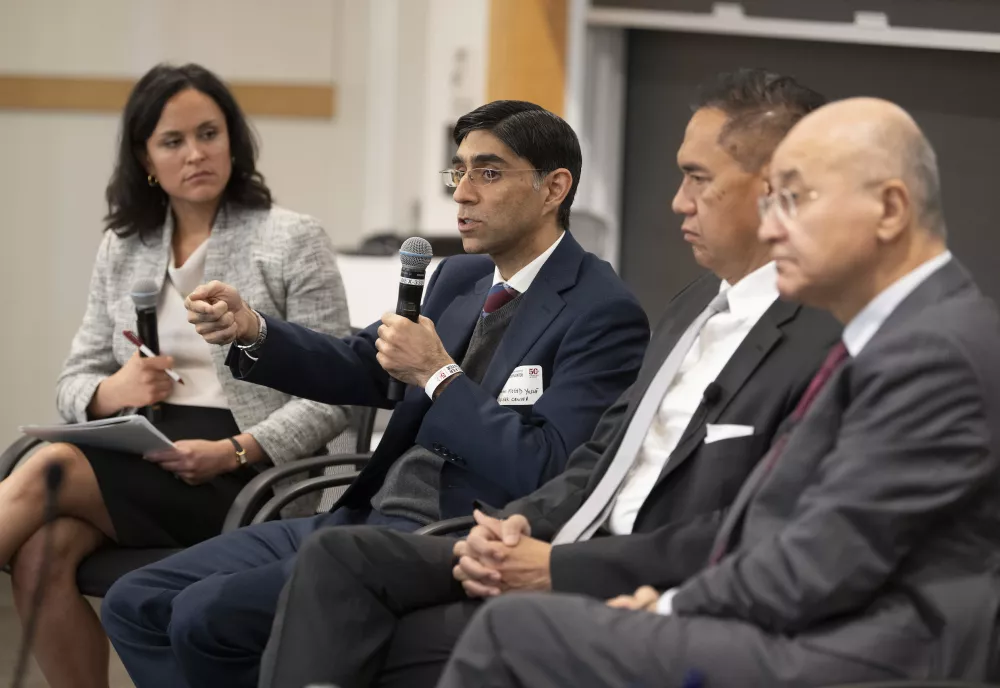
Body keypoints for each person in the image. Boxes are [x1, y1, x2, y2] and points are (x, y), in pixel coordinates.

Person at [255, 70, 845, 688]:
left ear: (778, 188)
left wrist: (557, 564)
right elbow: (601, 456)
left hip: (626, 571)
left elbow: (748, 529)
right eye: (459, 173)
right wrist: (523, 524)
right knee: (337, 560)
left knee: (371, 622)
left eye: (698, 177)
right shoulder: (695, 302)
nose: (677, 200)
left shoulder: (819, 339)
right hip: (522, 528)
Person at [435, 97, 1000, 687]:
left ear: (889, 209)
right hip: (809, 617)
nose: (773, 225)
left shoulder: (933, 350)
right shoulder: (905, 331)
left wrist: (671, 608)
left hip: (869, 650)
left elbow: (821, 558)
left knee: (515, 631)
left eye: (794, 199)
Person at [101, 100, 651, 688]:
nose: (462, 193)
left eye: (488, 173)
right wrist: (254, 329)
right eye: (458, 172)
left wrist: (439, 376)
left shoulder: (603, 312)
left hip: (446, 537)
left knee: (204, 615)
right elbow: (366, 364)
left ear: (554, 188)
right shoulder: (461, 276)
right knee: (135, 599)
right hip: (367, 516)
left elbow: (546, 468)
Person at [0, 63, 352, 688]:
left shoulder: (292, 238)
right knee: (38, 555)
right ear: (145, 158)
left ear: (233, 142)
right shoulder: (124, 245)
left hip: (250, 470)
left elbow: (336, 396)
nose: (196, 153)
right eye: (173, 141)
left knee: (50, 465)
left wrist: (233, 450)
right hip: (146, 454)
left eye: (209, 134)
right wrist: (112, 391)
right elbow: (75, 378)